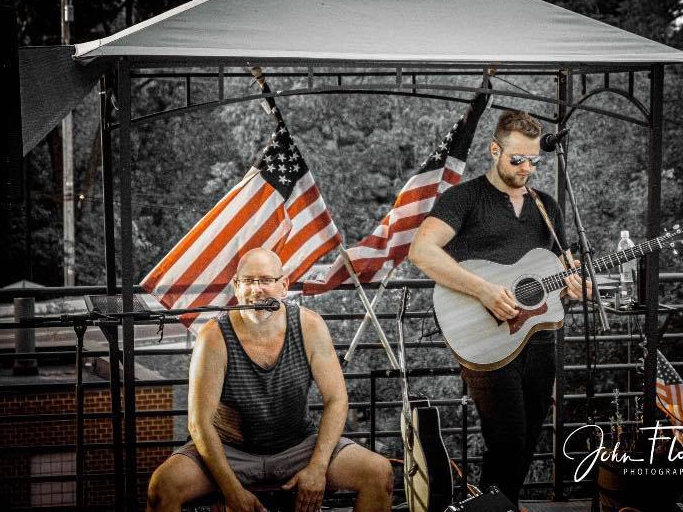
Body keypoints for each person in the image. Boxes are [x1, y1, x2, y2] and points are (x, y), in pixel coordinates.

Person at [408, 110, 591, 503]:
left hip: (539, 334)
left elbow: (561, 267)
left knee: (529, 432)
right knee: (507, 435)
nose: (526, 168)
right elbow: (421, 251)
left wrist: (576, 285)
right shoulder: (464, 198)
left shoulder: (546, 205)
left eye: (533, 161)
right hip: (485, 333)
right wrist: (483, 290)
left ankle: (496, 504)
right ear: (495, 149)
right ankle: (494, 505)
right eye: (516, 159)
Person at [146, 248, 393, 512]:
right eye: (248, 281)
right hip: (230, 450)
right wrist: (232, 491)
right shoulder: (213, 337)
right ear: (236, 287)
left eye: (266, 280)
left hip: (297, 445)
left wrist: (317, 468)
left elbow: (336, 399)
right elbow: (199, 423)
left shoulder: (310, 326)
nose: (257, 290)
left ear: (283, 286)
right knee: (163, 486)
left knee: (379, 472)